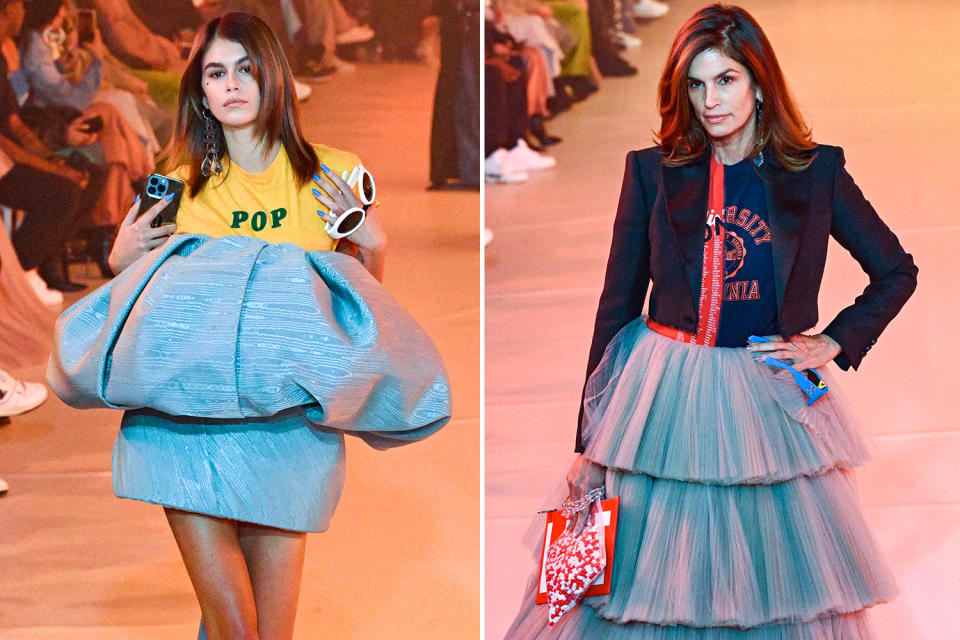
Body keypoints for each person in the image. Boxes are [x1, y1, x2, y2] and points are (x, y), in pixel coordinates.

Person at [504, 4, 916, 638]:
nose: (710, 100)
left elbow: (896, 271)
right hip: (661, 395)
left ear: (759, 81)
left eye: (726, 80)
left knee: (771, 590)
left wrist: (833, 340)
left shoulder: (815, 173)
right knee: (632, 589)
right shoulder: (652, 171)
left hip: (767, 399)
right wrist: (590, 436)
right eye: (695, 84)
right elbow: (616, 303)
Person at [48, 12, 449, 640]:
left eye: (245, 69)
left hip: (287, 430)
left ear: (274, 79)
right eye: (215, 72)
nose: (231, 85)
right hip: (182, 429)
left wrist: (373, 246)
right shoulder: (178, 188)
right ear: (200, 91)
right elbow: (142, 323)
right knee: (239, 630)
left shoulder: (332, 175)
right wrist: (121, 263)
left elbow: (356, 322)